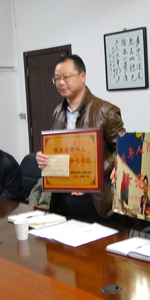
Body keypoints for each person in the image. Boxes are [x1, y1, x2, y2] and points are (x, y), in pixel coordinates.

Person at [36, 54, 124, 222]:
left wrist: (90, 176)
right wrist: (45, 157)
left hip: (96, 200)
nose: (61, 83)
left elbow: (122, 149)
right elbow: (59, 148)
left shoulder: (106, 111)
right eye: (57, 79)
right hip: (63, 196)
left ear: (83, 76)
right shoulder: (58, 112)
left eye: (66, 77)